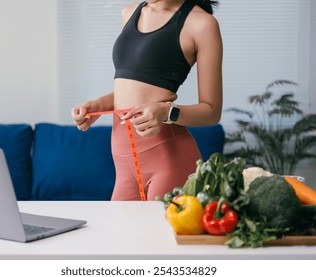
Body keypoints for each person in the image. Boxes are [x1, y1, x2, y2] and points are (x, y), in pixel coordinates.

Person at [72, 0, 222, 201]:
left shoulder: (201, 24)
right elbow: (137, 89)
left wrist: (166, 112)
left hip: (168, 160)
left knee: (160, 233)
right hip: (124, 164)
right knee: (119, 233)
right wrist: (98, 105)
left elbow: (212, 111)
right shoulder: (131, 12)